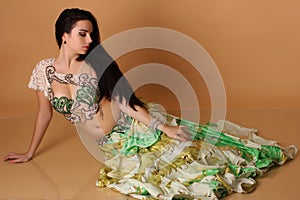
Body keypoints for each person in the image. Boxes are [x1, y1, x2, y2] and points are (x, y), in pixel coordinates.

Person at [3, 8, 297, 200]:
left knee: (195, 165)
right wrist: (30, 152)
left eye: (92, 33)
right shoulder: (43, 71)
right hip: (113, 146)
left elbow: (125, 102)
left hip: (134, 130)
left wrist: (163, 126)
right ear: (64, 36)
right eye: (83, 33)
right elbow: (44, 113)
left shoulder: (97, 63)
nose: (90, 39)